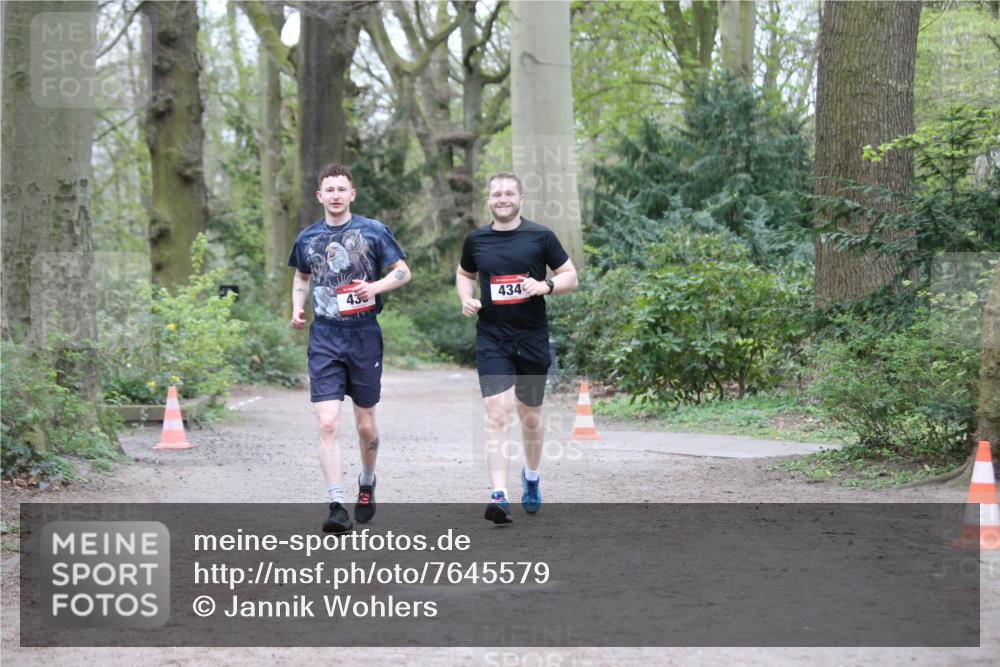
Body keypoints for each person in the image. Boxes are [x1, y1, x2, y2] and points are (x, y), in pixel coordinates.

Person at [289, 163, 411, 533]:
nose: (337, 195)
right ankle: (336, 503)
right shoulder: (307, 237)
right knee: (327, 421)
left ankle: (367, 481)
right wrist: (297, 306)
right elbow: (301, 276)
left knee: (364, 424)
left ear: (351, 194)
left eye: (343, 189)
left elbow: (403, 271)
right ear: (320, 196)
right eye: (330, 189)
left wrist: (375, 288)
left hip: (363, 335)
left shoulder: (373, 231)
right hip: (324, 335)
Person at [456, 172, 578, 523]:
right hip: (492, 338)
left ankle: (533, 476)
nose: (503, 198)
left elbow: (570, 275)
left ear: (521, 199)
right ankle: (499, 493)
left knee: (531, 416)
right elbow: (465, 274)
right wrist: (467, 299)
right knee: (497, 414)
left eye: (509, 193)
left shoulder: (541, 236)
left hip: (532, 337)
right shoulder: (476, 239)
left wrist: (546, 286)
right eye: (496, 194)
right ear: (489, 200)